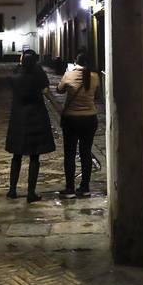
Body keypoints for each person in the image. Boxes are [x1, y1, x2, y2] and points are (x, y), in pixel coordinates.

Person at [5, 50, 54, 202]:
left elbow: (16, 74)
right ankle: (30, 192)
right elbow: (46, 89)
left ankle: (12, 190)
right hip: (36, 117)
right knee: (34, 156)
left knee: (16, 156)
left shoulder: (15, 75)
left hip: (18, 118)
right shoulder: (37, 74)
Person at [57, 50, 101, 196]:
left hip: (71, 119)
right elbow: (96, 92)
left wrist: (68, 72)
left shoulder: (69, 75)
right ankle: (85, 187)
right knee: (86, 153)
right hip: (90, 118)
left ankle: (70, 188)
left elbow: (59, 90)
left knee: (69, 154)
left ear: (76, 61)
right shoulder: (94, 77)